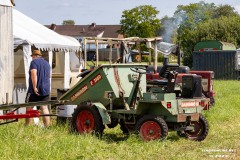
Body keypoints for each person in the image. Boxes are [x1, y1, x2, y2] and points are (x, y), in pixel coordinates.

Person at [25, 50, 51, 127]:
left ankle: (27, 126)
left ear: (35, 56)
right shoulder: (47, 64)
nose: (32, 58)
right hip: (45, 90)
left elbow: (34, 73)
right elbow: (48, 76)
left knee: (29, 107)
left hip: (35, 90)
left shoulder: (34, 62)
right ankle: (47, 126)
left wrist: (34, 86)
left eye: (32, 56)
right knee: (45, 108)